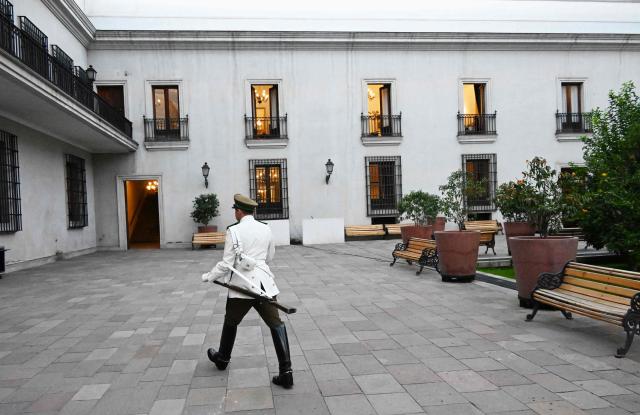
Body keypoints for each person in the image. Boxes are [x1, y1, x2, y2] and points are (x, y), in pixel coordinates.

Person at [201, 193, 293, 388]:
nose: (235, 213)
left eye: (235, 210)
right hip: (264, 286)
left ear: (239, 211)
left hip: (241, 286)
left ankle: (223, 359)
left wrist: (210, 276)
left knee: (231, 322)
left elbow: (226, 264)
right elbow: (270, 257)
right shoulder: (265, 228)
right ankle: (286, 372)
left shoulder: (233, 231)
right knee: (277, 325)